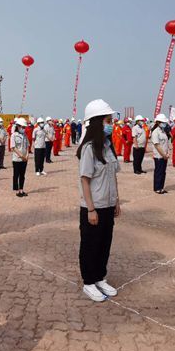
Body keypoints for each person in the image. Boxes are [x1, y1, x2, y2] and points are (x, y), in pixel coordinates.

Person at [77, 99, 120, 303]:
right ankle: (88, 282)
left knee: (104, 244)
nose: (111, 123)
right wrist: (91, 209)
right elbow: (85, 180)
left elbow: (113, 175)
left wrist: (117, 201)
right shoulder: (88, 148)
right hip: (94, 207)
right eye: (108, 120)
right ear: (97, 122)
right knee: (90, 245)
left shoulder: (107, 146)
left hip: (108, 205)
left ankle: (100, 278)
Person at [151, 114, 170, 194]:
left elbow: (166, 143)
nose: (164, 124)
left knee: (163, 172)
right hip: (159, 156)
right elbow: (157, 145)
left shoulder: (163, 131)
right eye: (163, 122)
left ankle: (161, 187)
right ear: (158, 122)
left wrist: (167, 153)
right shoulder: (155, 132)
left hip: (164, 156)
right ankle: (157, 188)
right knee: (158, 172)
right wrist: (164, 155)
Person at [11, 117, 30, 197]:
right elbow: (13, 147)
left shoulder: (25, 135)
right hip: (17, 159)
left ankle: (21, 190)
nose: (23, 128)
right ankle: (17, 190)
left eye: (24, 127)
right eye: (22, 127)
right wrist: (21, 156)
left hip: (24, 159)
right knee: (16, 175)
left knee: (22, 175)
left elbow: (28, 145)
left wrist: (27, 155)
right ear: (18, 126)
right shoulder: (14, 135)